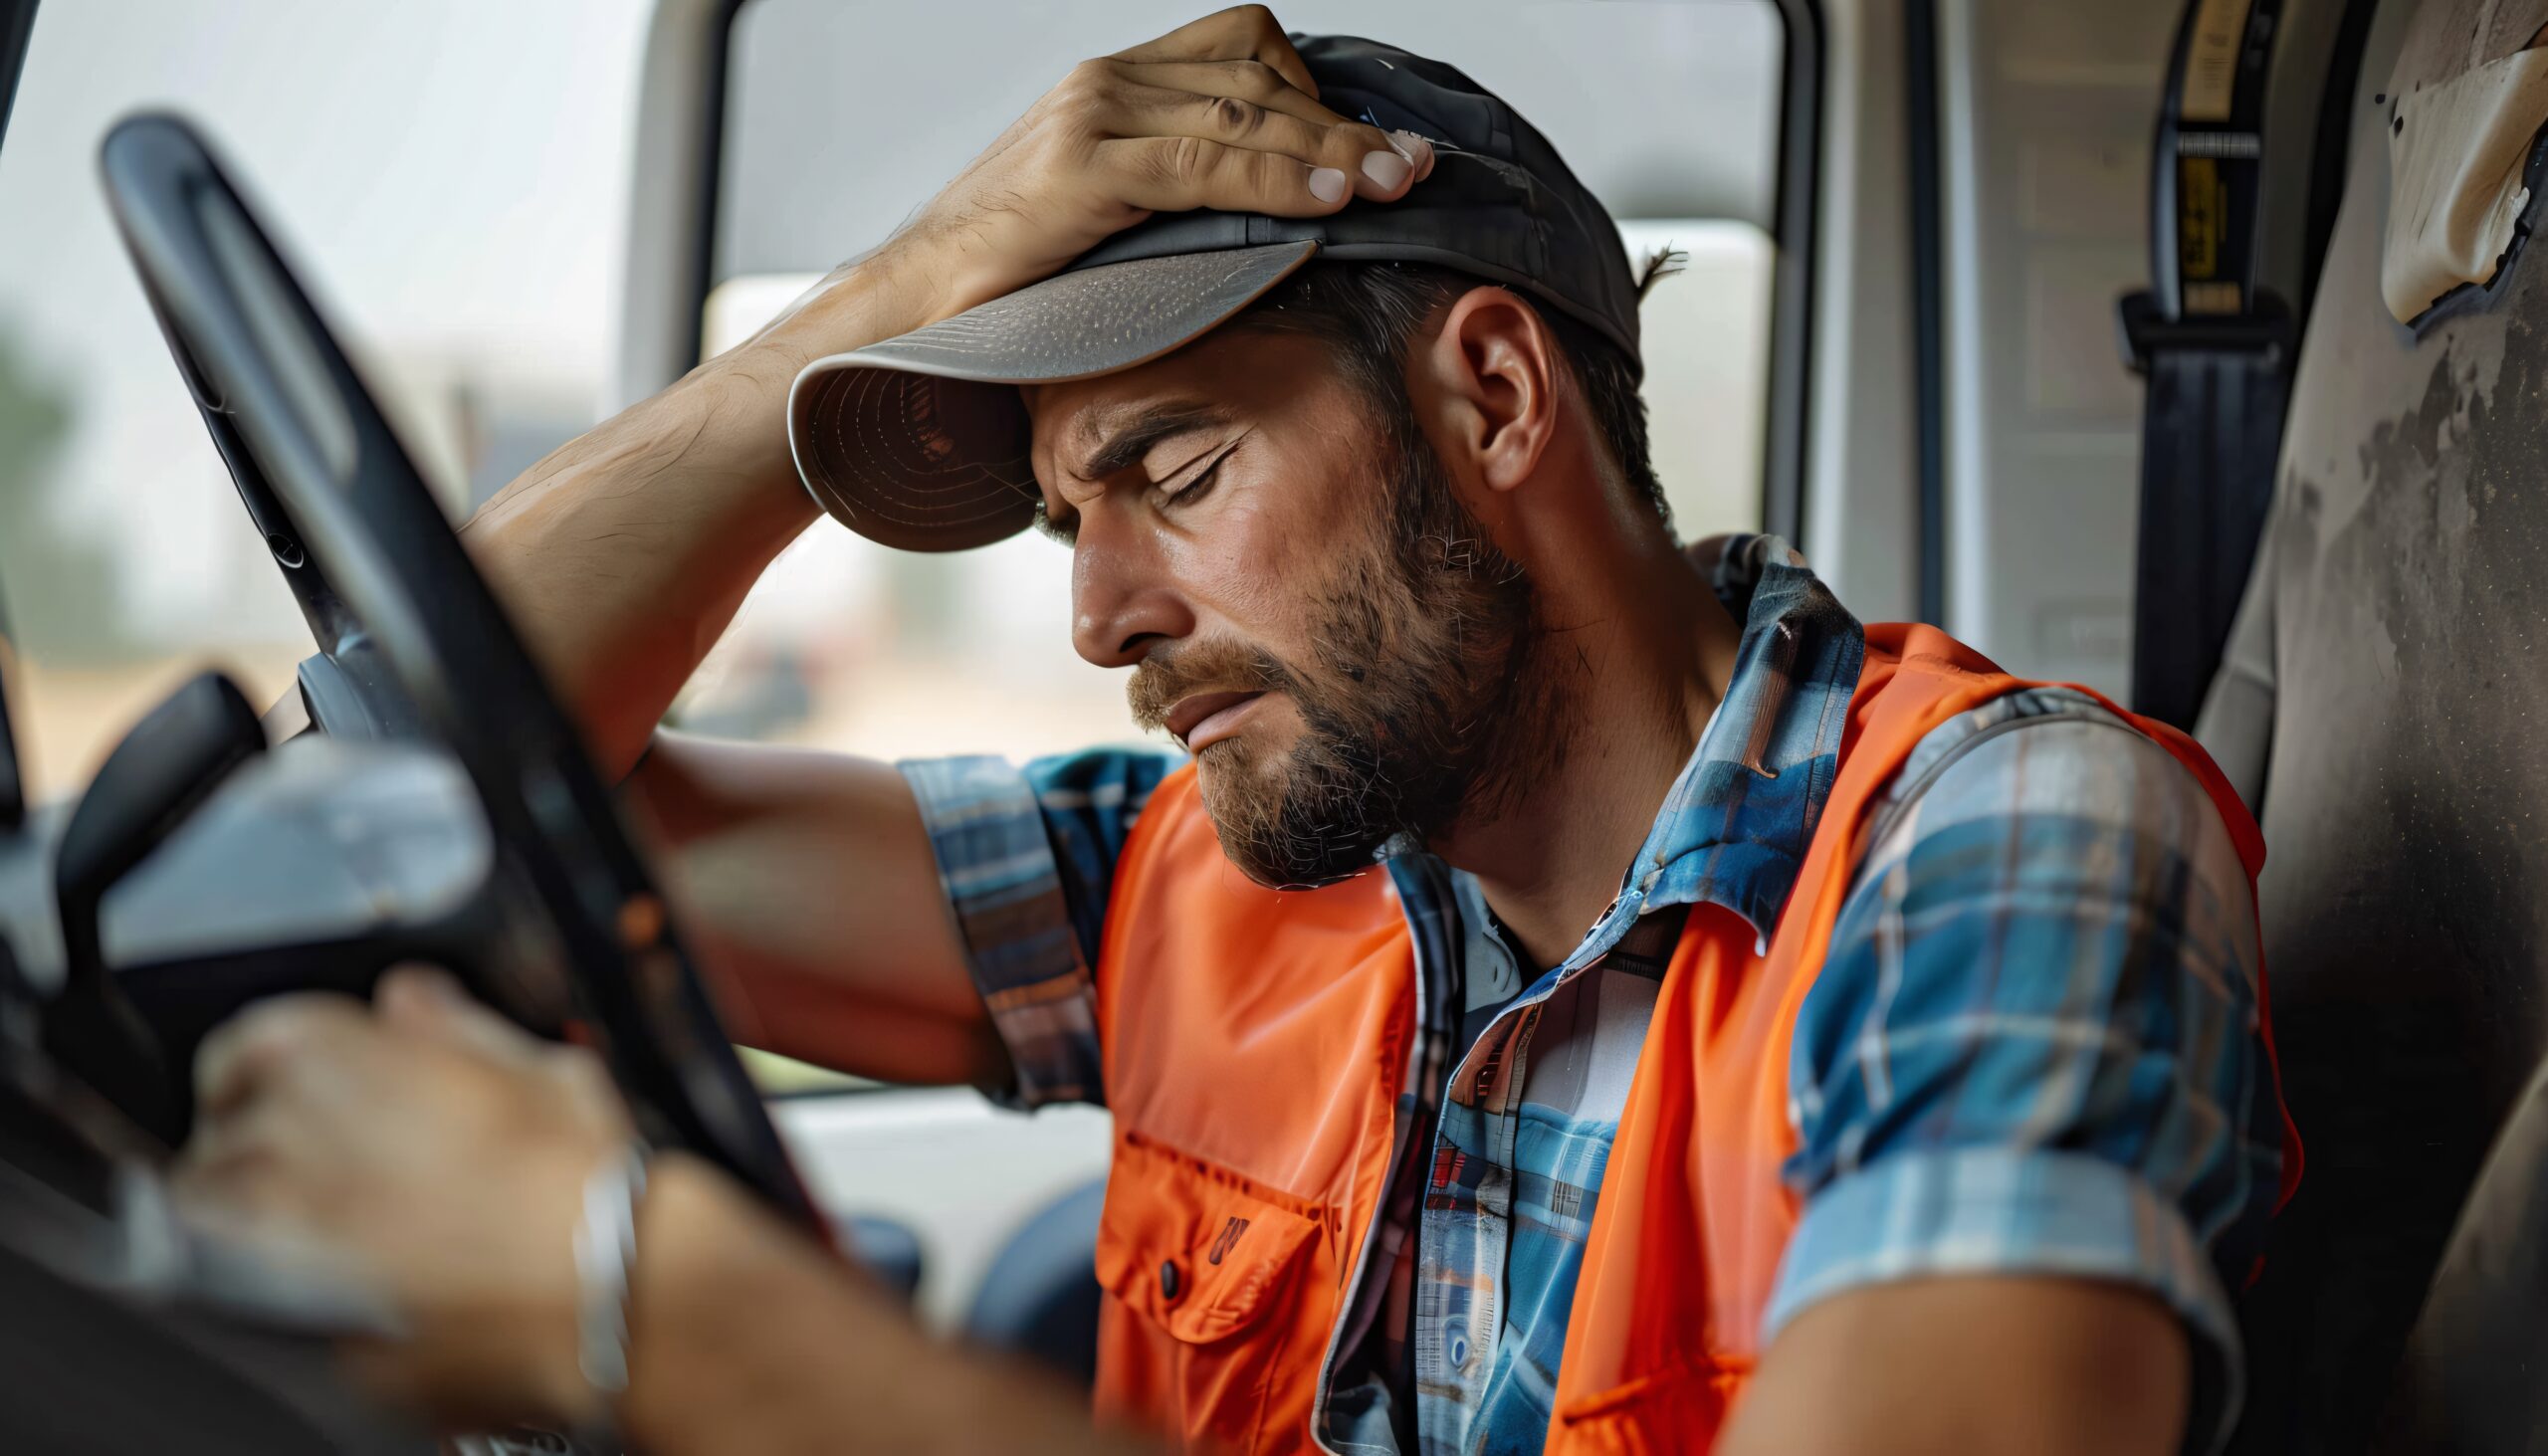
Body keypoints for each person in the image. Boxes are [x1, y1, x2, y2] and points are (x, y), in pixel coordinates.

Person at [172, 9, 2297, 1454]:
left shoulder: (2002, 841)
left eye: (1171, 479)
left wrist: (660, 1309)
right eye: (1058, 522)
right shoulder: (1210, 876)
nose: (1099, 616)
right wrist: (879, 299)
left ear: (1489, 402)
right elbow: (430, 784)